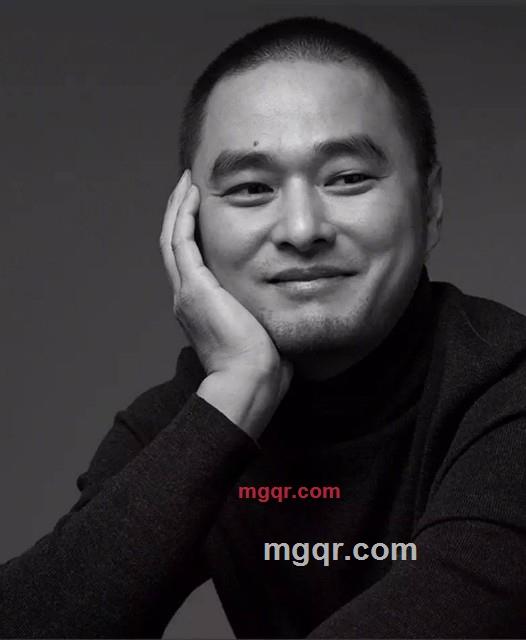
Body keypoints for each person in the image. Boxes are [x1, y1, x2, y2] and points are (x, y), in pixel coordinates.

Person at [1, 15, 526, 639]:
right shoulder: (195, 416)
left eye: (349, 178)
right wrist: (235, 395)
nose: (302, 230)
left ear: (430, 203)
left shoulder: (507, 389)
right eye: (251, 188)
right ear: (189, 222)